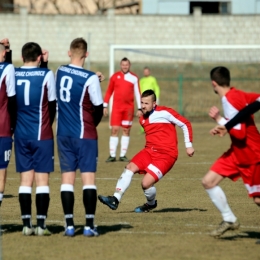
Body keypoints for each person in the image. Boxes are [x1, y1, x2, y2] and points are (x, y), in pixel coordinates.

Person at [98, 89, 194, 212]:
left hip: (166, 155)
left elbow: (185, 124)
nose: (143, 106)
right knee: (129, 168)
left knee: (145, 184)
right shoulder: (142, 119)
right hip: (149, 151)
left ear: (154, 104)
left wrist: (188, 144)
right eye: (142, 103)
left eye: (146, 103)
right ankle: (115, 199)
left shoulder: (165, 112)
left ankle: (150, 204)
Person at [202, 66, 260, 238]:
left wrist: (220, 120)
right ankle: (229, 219)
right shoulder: (238, 94)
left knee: (258, 199)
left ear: (214, 83)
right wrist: (224, 123)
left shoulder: (229, 100)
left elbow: (240, 134)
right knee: (208, 181)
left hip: (252, 154)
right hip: (237, 153)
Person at [55, 37, 103, 237]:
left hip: (63, 133)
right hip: (84, 134)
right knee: (88, 180)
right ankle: (89, 226)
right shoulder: (90, 77)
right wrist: (92, 124)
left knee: (67, 180)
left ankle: (69, 226)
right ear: (87, 54)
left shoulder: (59, 71)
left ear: (69, 53)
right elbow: (98, 108)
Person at [14, 42, 56, 236]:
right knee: (42, 181)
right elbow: (52, 103)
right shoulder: (46, 74)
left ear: (22, 57)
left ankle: (25, 225)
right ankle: (41, 225)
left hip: (21, 134)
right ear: (39, 57)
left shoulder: (13, 73)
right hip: (42, 134)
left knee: (25, 180)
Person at [103, 57, 142, 162]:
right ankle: (112, 155)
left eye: (127, 65)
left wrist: (140, 108)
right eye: (123, 64)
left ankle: (122, 155)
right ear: (120, 65)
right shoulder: (115, 77)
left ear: (129, 65)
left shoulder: (134, 77)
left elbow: (138, 93)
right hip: (116, 109)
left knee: (126, 130)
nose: (125, 66)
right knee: (114, 130)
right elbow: (109, 91)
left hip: (128, 109)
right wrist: (105, 105)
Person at [0, 39, 16, 207]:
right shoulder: (8, 68)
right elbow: (11, 98)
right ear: (4, 52)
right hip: (3, 127)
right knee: (1, 169)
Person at [139, 67, 160, 133]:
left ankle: (154, 127)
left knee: (153, 113)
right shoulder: (141, 80)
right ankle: (143, 129)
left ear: (149, 72)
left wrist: (156, 97)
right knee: (142, 113)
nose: (146, 72)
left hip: (151, 99)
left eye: (147, 71)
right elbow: (139, 89)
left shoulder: (152, 79)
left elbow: (156, 88)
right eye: (144, 71)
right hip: (143, 99)